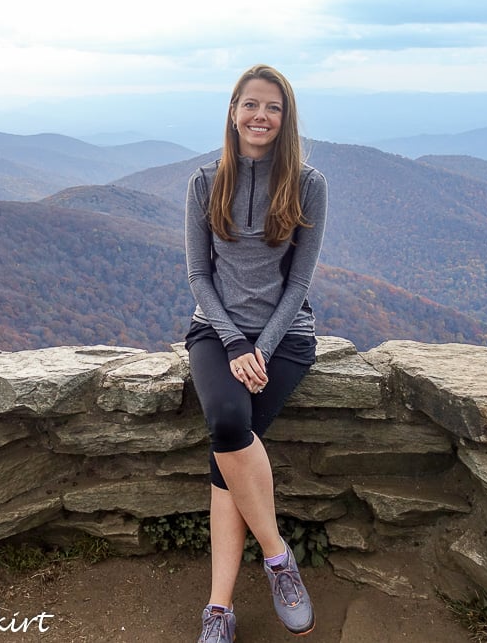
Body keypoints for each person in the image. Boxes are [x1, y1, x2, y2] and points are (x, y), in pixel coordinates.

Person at [184, 64, 328, 642]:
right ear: (233, 111)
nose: (259, 116)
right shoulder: (205, 181)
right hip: (217, 334)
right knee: (227, 423)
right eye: (250, 104)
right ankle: (277, 558)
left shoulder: (308, 184)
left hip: (286, 338)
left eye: (272, 107)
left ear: (285, 117)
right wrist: (235, 343)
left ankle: (218, 609)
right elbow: (199, 276)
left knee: (227, 449)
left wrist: (261, 349)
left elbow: (298, 286)